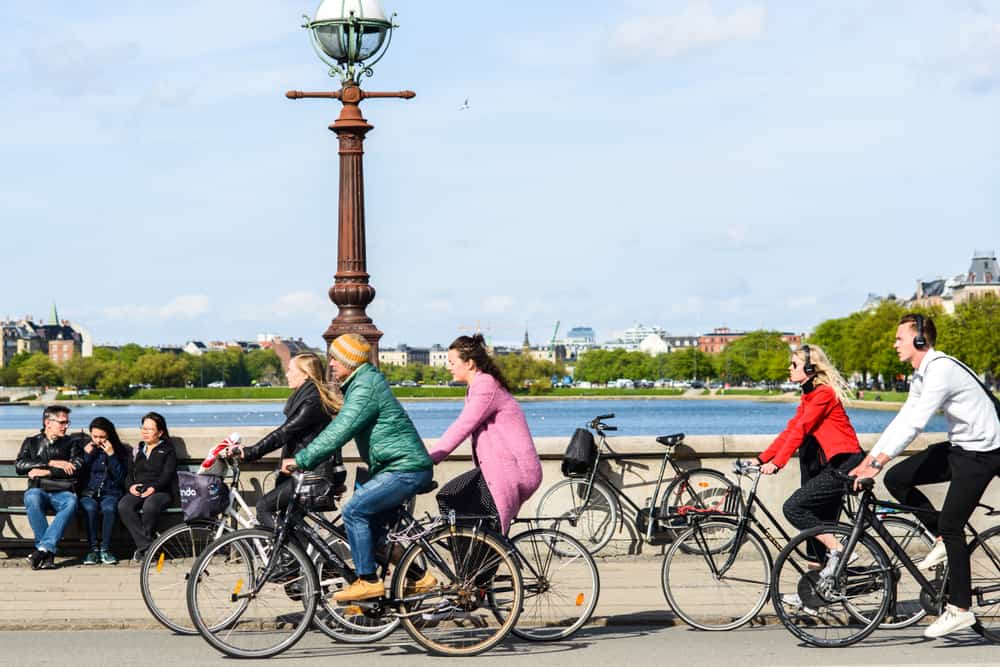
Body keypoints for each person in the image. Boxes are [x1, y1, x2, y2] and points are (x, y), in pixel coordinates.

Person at [850, 314, 1000, 639]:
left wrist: (874, 464)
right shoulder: (921, 374)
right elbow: (902, 419)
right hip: (961, 447)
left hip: (984, 453)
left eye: (899, 338)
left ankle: (959, 609)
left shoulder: (941, 370)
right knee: (898, 479)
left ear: (920, 341)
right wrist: (871, 460)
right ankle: (942, 540)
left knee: (952, 524)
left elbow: (916, 423)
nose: (894, 344)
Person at [285, 333, 433, 603]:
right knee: (374, 534)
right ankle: (421, 578)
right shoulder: (360, 384)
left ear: (349, 360)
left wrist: (302, 459)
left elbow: (341, 430)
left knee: (354, 511)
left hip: (404, 469)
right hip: (395, 468)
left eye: (335, 358)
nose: (329, 363)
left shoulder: (365, 387)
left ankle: (367, 582)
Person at [755, 344, 864, 582]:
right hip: (827, 466)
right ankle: (812, 596)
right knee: (814, 532)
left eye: (794, 364)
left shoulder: (823, 394)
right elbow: (790, 430)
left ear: (809, 368)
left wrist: (778, 463)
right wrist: (762, 459)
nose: (789, 368)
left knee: (794, 508)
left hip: (844, 464)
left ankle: (839, 548)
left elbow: (801, 431)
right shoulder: (809, 396)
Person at [427, 334, 542, 535]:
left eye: (452, 362)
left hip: (512, 470)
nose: (448, 367)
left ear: (469, 363)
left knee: (453, 499)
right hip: (500, 467)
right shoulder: (481, 384)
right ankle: (472, 561)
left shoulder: (485, 386)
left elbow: (463, 426)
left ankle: (479, 561)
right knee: (454, 502)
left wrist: (429, 458)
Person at [229, 353, 346, 528]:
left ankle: (288, 551)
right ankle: (292, 553)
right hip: (305, 471)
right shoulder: (307, 397)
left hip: (311, 473)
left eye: (291, 370)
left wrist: (251, 451)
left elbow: (284, 433)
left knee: (264, 507)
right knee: (290, 521)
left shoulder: (312, 401)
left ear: (306, 374)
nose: (286, 374)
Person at [15, 405, 84, 570]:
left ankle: (42, 550)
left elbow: (75, 468)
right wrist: (50, 463)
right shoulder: (31, 442)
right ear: (48, 422)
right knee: (31, 497)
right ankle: (47, 552)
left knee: (71, 501)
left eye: (67, 422)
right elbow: (20, 465)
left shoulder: (72, 443)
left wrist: (45, 472)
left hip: (63, 492)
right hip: (39, 491)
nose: (66, 426)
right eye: (62, 422)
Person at [118, 412, 178, 561]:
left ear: (160, 432)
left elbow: (167, 475)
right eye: (143, 428)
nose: (145, 432)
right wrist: (131, 486)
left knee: (150, 506)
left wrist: (154, 488)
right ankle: (148, 547)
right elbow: (129, 474)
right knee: (124, 505)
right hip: (139, 489)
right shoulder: (137, 450)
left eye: (150, 429)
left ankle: (144, 549)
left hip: (160, 491)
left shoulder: (167, 450)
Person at [78, 417, 129, 565]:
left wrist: (112, 455)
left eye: (102, 437)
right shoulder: (85, 448)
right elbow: (77, 474)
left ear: (109, 436)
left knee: (109, 508)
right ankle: (93, 550)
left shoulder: (119, 450)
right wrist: (86, 456)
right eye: (95, 436)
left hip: (111, 492)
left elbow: (121, 478)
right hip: (88, 492)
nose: (98, 440)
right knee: (89, 508)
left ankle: (105, 549)